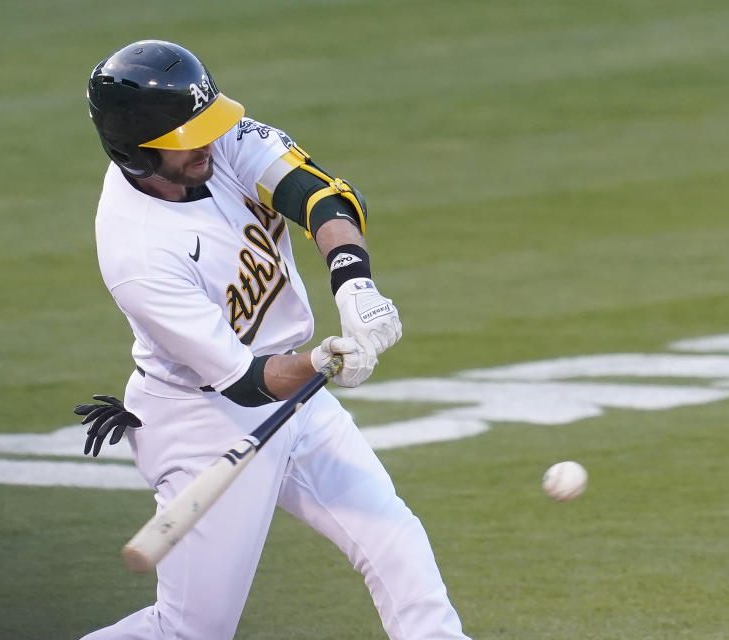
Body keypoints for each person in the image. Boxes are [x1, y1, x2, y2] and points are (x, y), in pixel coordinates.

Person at [75, 39, 470, 640]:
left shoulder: (214, 139)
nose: (206, 141)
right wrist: (318, 360)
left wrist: (352, 284)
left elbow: (319, 195)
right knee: (190, 631)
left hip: (295, 399)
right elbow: (244, 382)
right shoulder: (140, 253)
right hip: (203, 419)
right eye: (186, 138)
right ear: (137, 151)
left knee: (391, 535)